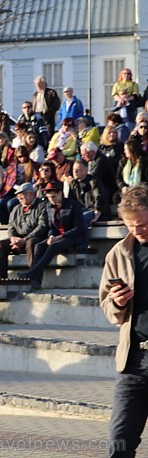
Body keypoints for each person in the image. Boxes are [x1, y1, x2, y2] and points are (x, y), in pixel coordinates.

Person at [99, 184, 148, 456]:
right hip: (133, 362)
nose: (136, 231)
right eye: (130, 225)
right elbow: (106, 305)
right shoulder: (118, 253)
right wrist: (117, 302)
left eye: (142, 224)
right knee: (119, 442)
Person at [17, 182, 87, 289]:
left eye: (54, 196)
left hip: (73, 238)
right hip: (57, 237)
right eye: (49, 197)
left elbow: (79, 228)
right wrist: (50, 236)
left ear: (60, 193)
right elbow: (51, 227)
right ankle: (36, 280)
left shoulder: (73, 205)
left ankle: (31, 274)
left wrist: (61, 237)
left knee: (53, 246)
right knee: (39, 246)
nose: (51, 200)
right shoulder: (49, 206)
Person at [0, 183, 47, 280]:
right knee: (0, 245)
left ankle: (34, 278)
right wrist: (13, 238)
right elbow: (11, 226)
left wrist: (25, 239)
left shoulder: (42, 206)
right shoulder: (16, 209)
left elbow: (42, 226)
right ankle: (2, 277)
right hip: (19, 239)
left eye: (21, 195)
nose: (19, 198)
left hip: (35, 238)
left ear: (31, 194)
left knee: (31, 243)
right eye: (18, 196)